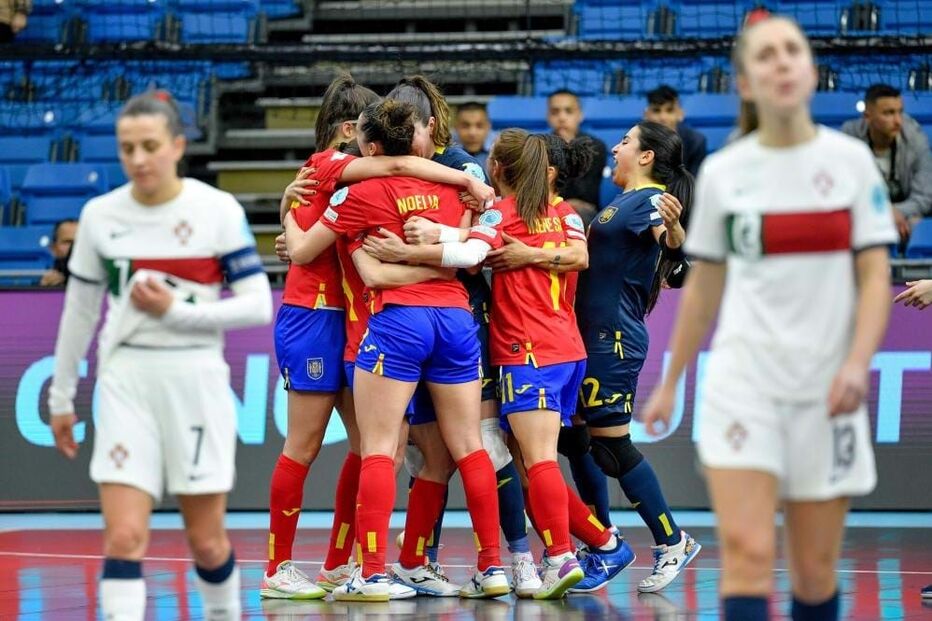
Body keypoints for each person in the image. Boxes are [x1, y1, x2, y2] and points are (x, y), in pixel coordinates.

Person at [642, 15, 896, 621]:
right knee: (749, 553)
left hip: (826, 387)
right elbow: (704, 285)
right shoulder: (729, 171)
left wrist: (858, 363)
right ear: (747, 83)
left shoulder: (852, 163)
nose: (781, 62)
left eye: (792, 51)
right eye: (765, 56)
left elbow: (873, 274)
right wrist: (672, 380)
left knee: (812, 573)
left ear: (810, 70)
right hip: (743, 383)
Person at [261, 75, 494, 600]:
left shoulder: (343, 185)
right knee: (307, 444)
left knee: (373, 449)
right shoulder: (329, 167)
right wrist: (469, 184)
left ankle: (341, 564)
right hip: (315, 315)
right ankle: (278, 567)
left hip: (357, 321)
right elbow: (398, 165)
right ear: (351, 130)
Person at [48, 91, 274, 621]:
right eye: (127, 148)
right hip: (126, 378)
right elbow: (78, 315)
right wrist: (61, 396)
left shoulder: (215, 211)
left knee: (207, 542)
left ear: (176, 146)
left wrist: (178, 312)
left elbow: (258, 305)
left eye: (150, 146)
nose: (138, 159)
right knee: (124, 537)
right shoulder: (100, 217)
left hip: (196, 376)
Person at [385, 75, 536, 596]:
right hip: (403, 322)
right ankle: (418, 560)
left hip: (462, 319)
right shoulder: (382, 167)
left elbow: (486, 240)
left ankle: (514, 559)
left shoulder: (462, 172)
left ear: (430, 125)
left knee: (483, 445)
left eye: (410, 131)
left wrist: (435, 240)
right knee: (424, 455)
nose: (401, 146)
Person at [568, 120, 701, 594]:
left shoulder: (650, 201)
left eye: (625, 140)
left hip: (613, 340)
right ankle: (603, 542)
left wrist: (676, 234)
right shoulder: (621, 203)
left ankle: (672, 540)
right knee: (575, 441)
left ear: (645, 157)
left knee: (610, 446)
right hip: (588, 338)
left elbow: (672, 246)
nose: (617, 146)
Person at [841, 83, 932, 242]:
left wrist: (895, 212)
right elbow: (841, 192)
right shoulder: (848, 140)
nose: (898, 121)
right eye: (888, 113)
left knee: (917, 225)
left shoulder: (916, 140)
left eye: (900, 112)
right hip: (863, 214)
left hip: (905, 214)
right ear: (868, 116)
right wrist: (883, 213)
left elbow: (925, 197)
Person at [546, 90, 608, 225]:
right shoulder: (539, 147)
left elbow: (586, 193)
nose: (561, 117)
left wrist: (569, 149)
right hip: (547, 208)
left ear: (580, 114)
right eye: (555, 112)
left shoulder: (595, 146)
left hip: (584, 212)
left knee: (578, 212)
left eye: (568, 111)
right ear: (548, 116)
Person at [644, 84, 708, 177]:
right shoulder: (635, 140)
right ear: (646, 115)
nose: (663, 117)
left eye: (669, 110)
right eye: (656, 111)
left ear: (680, 114)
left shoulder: (696, 142)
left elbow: (695, 184)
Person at [454, 101, 492, 170]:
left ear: (488, 127)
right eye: (465, 126)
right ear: (456, 127)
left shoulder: (501, 151)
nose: (472, 133)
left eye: (479, 126)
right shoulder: (444, 152)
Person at [39, 218, 77, 287]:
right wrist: (44, 290)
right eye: (68, 242)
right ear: (53, 248)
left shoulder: (99, 282)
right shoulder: (42, 286)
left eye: (79, 241)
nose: (74, 246)